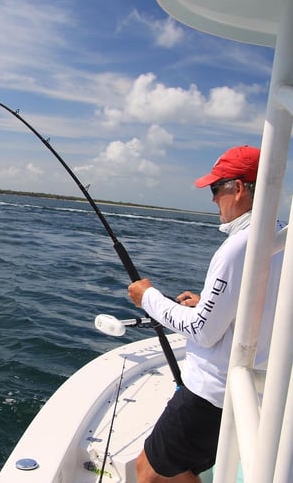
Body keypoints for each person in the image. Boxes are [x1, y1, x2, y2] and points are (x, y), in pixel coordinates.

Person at [127, 145, 283, 482]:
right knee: (171, 468)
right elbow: (266, 304)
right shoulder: (281, 237)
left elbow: (202, 330)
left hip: (209, 394)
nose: (212, 199)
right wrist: (208, 302)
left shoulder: (238, 246)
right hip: (248, 392)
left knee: (147, 471)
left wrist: (148, 297)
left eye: (216, 188)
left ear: (238, 188)